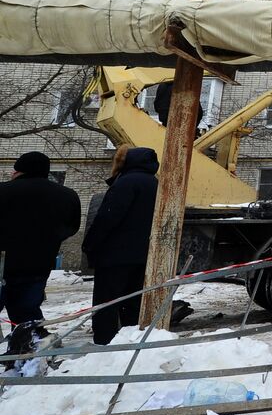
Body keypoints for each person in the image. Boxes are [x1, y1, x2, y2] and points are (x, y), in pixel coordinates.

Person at [0, 152, 82, 360]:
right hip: (39, 262)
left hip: (4, 261)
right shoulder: (67, 195)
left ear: (19, 170)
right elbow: (72, 227)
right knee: (27, 310)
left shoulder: (4, 191)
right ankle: (28, 352)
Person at [83, 146, 159, 345]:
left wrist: (90, 244)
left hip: (114, 256)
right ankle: (129, 339)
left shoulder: (125, 183)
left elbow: (108, 217)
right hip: (142, 255)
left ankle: (104, 342)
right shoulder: (156, 184)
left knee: (106, 304)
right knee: (133, 301)